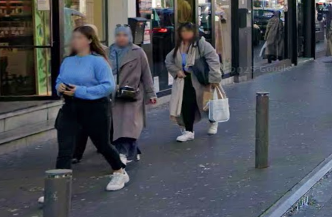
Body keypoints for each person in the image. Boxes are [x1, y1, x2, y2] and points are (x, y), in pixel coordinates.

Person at [54, 25, 128, 191]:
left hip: (95, 108)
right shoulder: (68, 61)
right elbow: (59, 80)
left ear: (89, 40)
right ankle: (58, 188)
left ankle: (119, 171)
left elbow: (108, 86)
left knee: (102, 145)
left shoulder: (98, 61)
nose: (75, 41)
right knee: (65, 148)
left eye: (79, 37)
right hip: (70, 107)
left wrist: (80, 91)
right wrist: (59, 87)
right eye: (73, 37)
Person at [166, 21, 224, 142]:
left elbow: (213, 60)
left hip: (202, 80)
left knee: (207, 103)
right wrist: (177, 71)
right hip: (185, 80)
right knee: (186, 104)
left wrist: (214, 78)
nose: (185, 33)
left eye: (188, 31)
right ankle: (189, 131)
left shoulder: (201, 44)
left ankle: (213, 121)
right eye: (183, 31)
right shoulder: (179, 46)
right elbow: (168, 61)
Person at [108, 24, 156, 165]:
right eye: (118, 35)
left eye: (124, 35)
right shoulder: (108, 52)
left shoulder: (138, 52)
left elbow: (146, 74)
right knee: (118, 126)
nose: (121, 38)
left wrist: (151, 94)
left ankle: (122, 153)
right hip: (113, 94)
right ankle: (132, 150)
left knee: (129, 126)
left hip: (132, 94)